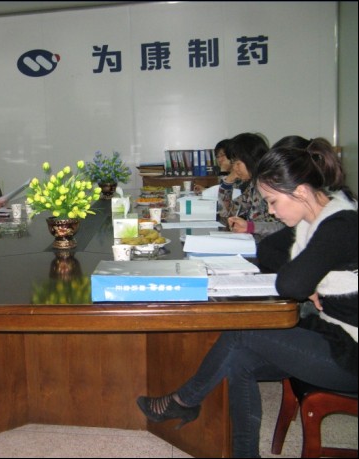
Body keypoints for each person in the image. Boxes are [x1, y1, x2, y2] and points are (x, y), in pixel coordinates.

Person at [136, 138, 357, 458]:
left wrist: (308, 280)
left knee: (243, 331)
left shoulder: (340, 224)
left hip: (351, 352)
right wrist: (310, 280)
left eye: (273, 201)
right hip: (330, 334)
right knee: (239, 359)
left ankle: (184, 401)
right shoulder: (313, 217)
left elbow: (291, 284)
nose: (271, 211)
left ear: (300, 192)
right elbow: (268, 251)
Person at [220, 132, 284, 240]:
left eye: (238, 163)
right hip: (255, 243)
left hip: (271, 245)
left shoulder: (272, 186)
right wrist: (228, 181)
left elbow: (284, 228)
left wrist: (251, 227)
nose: (234, 168)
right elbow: (226, 212)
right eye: (233, 163)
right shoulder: (253, 185)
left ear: (251, 159)